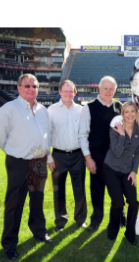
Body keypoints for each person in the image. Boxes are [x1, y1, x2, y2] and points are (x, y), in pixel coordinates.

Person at [0, 74, 52, 261]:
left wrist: (47, 155)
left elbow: (46, 135)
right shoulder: (9, 109)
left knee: (37, 200)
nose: (31, 89)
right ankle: (9, 244)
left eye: (34, 86)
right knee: (14, 204)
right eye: (26, 86)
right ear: (18, 88)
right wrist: (13, 151)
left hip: (39, 163)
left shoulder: (43, 110)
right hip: (18, 163)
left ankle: (39, 231)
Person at [79, 76, 123, 231]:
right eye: (105, 88)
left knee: (118, 188)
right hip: (97, 156)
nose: (108, 91)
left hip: (116, 156)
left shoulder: (120, 107)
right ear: (99, 89)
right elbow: (82, 135)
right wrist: (88, 158)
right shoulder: (88, 107)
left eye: (111, 88)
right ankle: (96, 220)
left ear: (115, 90)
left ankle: (120, 216)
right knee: (97, 189)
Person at [47, 80, 87, 232]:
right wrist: (48, 157)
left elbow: (86, 134)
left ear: (75, 93)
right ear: (60, 92)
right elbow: (46, 134)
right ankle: (60, 222)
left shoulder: (82, 110)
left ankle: (80, 219)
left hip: (78, 155)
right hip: (58, 155)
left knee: (80, 189)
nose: (68, 94)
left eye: (71, 91)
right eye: (66, 91)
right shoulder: (51, 110)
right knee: (59, 190)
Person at [103, 102, 139, 246]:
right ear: (122, 114)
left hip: (127, 170)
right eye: (127, 112)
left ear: (136, 114)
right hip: (111, 169)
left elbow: (138, 152)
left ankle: (130, 233)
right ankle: (113, 231)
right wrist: (121, 135)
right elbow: (117, 152)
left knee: (133, 202)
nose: (130, 114)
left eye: (133, 111)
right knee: (118, 202)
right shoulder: (115, 129)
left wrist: (134, 171)